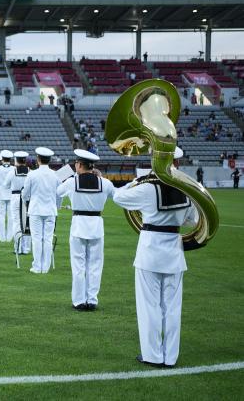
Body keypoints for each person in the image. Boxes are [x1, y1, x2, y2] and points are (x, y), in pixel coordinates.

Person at [112, 148, 198, 368]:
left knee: (149, 305)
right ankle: (170, 357)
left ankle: (152, 355)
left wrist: (136, 181)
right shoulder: (187, 190)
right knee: (172, 306)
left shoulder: (147, 187)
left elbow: (118, 197)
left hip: (150, 251)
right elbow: (193, 219)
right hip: (174, 251)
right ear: (176, 163)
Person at [57, 149, 115, 311]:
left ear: (80, 165)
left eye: (76, 163)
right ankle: (92, 300)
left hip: (78, 225)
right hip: (96, 225)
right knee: (95, 265)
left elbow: (58, 191)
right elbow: (116, 195)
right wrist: (99, 178)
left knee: (78, 265)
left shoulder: (72, 182)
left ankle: (79, 301)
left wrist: (75, 177)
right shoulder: (105, 183)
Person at [22, 147, 61, 274]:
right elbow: (59, 195)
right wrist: (57, 206)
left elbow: (25, 193)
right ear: (49, 160)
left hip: (35, 210)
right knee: (48, 239)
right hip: (50, 210)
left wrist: (26, 199)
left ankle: (37, 266)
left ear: (38, 159)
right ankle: (45, 267)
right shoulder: (55, 175)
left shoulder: (32, 174)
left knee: (37, 238)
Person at [5, 151, 31, 254]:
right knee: (27, 223)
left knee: (16, 222)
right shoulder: (30, 172)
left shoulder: (12, 172)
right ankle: (26, 248)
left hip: (16, 196)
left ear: (16, 160)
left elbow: (6, 185)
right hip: (28, 198)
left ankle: (18, 247)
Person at [0, 150, 15, 242]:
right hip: (11, 195)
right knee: (11, 217)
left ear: (2, 159)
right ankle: (9, 237)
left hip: (0, 194)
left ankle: (2, 237)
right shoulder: (14, 168)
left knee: (1, 217)